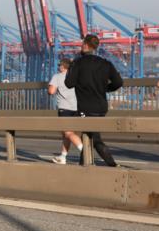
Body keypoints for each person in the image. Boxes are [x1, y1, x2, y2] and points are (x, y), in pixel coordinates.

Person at [64, 34, 124, 167]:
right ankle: (83, 168)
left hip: (85, 107)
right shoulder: (105, 63)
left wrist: (71, 69)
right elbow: (118, 82)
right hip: (101, 107)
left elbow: (69, 83)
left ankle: (113, 165)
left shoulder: (78, 63)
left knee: (94, 139)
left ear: (85, 45)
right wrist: (106, 88)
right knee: (88, 136)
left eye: (82, 44)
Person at [48, 60, 83, 164]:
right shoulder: (76, 76)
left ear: (63, 66)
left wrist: (49, 88)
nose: (59, 67)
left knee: (68, 132)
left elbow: (51, 91)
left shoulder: (57, 76)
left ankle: (84, 151)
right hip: (76, 108)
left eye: (59, 65)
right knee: (66, 134)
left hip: (65, 108)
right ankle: (62, 157)